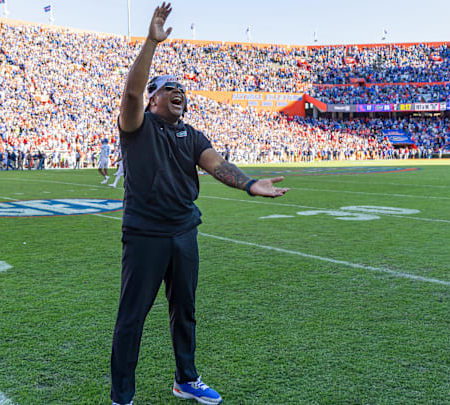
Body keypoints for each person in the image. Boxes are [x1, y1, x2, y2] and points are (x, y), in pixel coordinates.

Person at [109, 4, 289, 405]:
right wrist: (151, 42)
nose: (177, 91)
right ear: (153, 100)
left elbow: (217, 164)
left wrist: (247, 185)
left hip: (183, 231)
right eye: (167, 87)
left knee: (184, 311)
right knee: (132, 318)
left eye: (181, 88)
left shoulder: (191, 134)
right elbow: (132, 91)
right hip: (145, 234)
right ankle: (122, 395)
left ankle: (186, 379)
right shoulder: (138, 126)